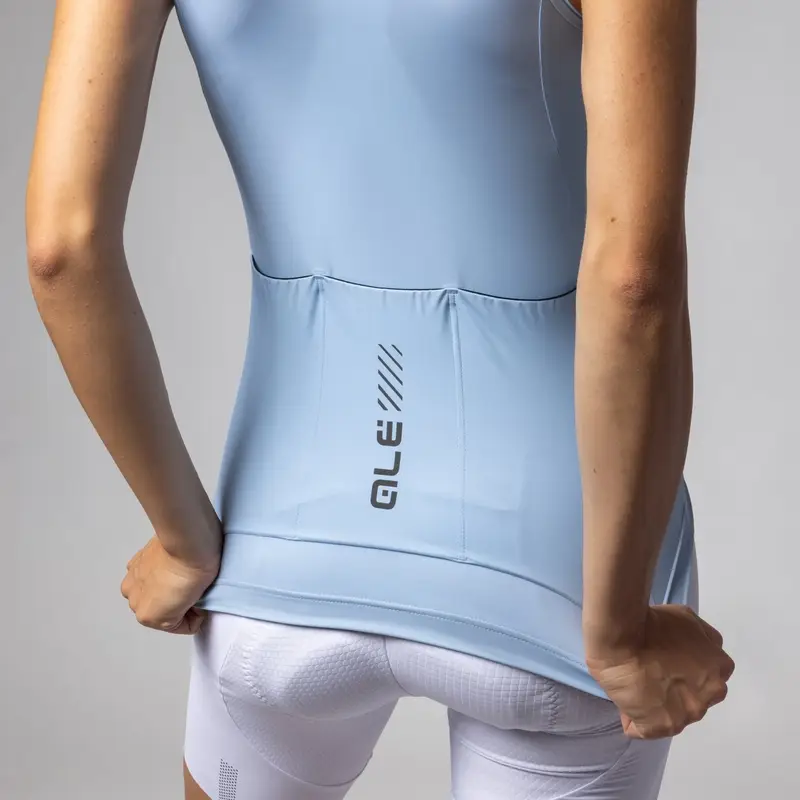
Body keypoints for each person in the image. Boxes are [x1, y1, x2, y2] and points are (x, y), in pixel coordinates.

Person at [26, 0, 735, 798]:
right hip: (559, 571)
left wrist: (183, 538)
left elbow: (62, 251)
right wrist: (618, 629)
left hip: (280, 551)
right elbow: (635, 283)